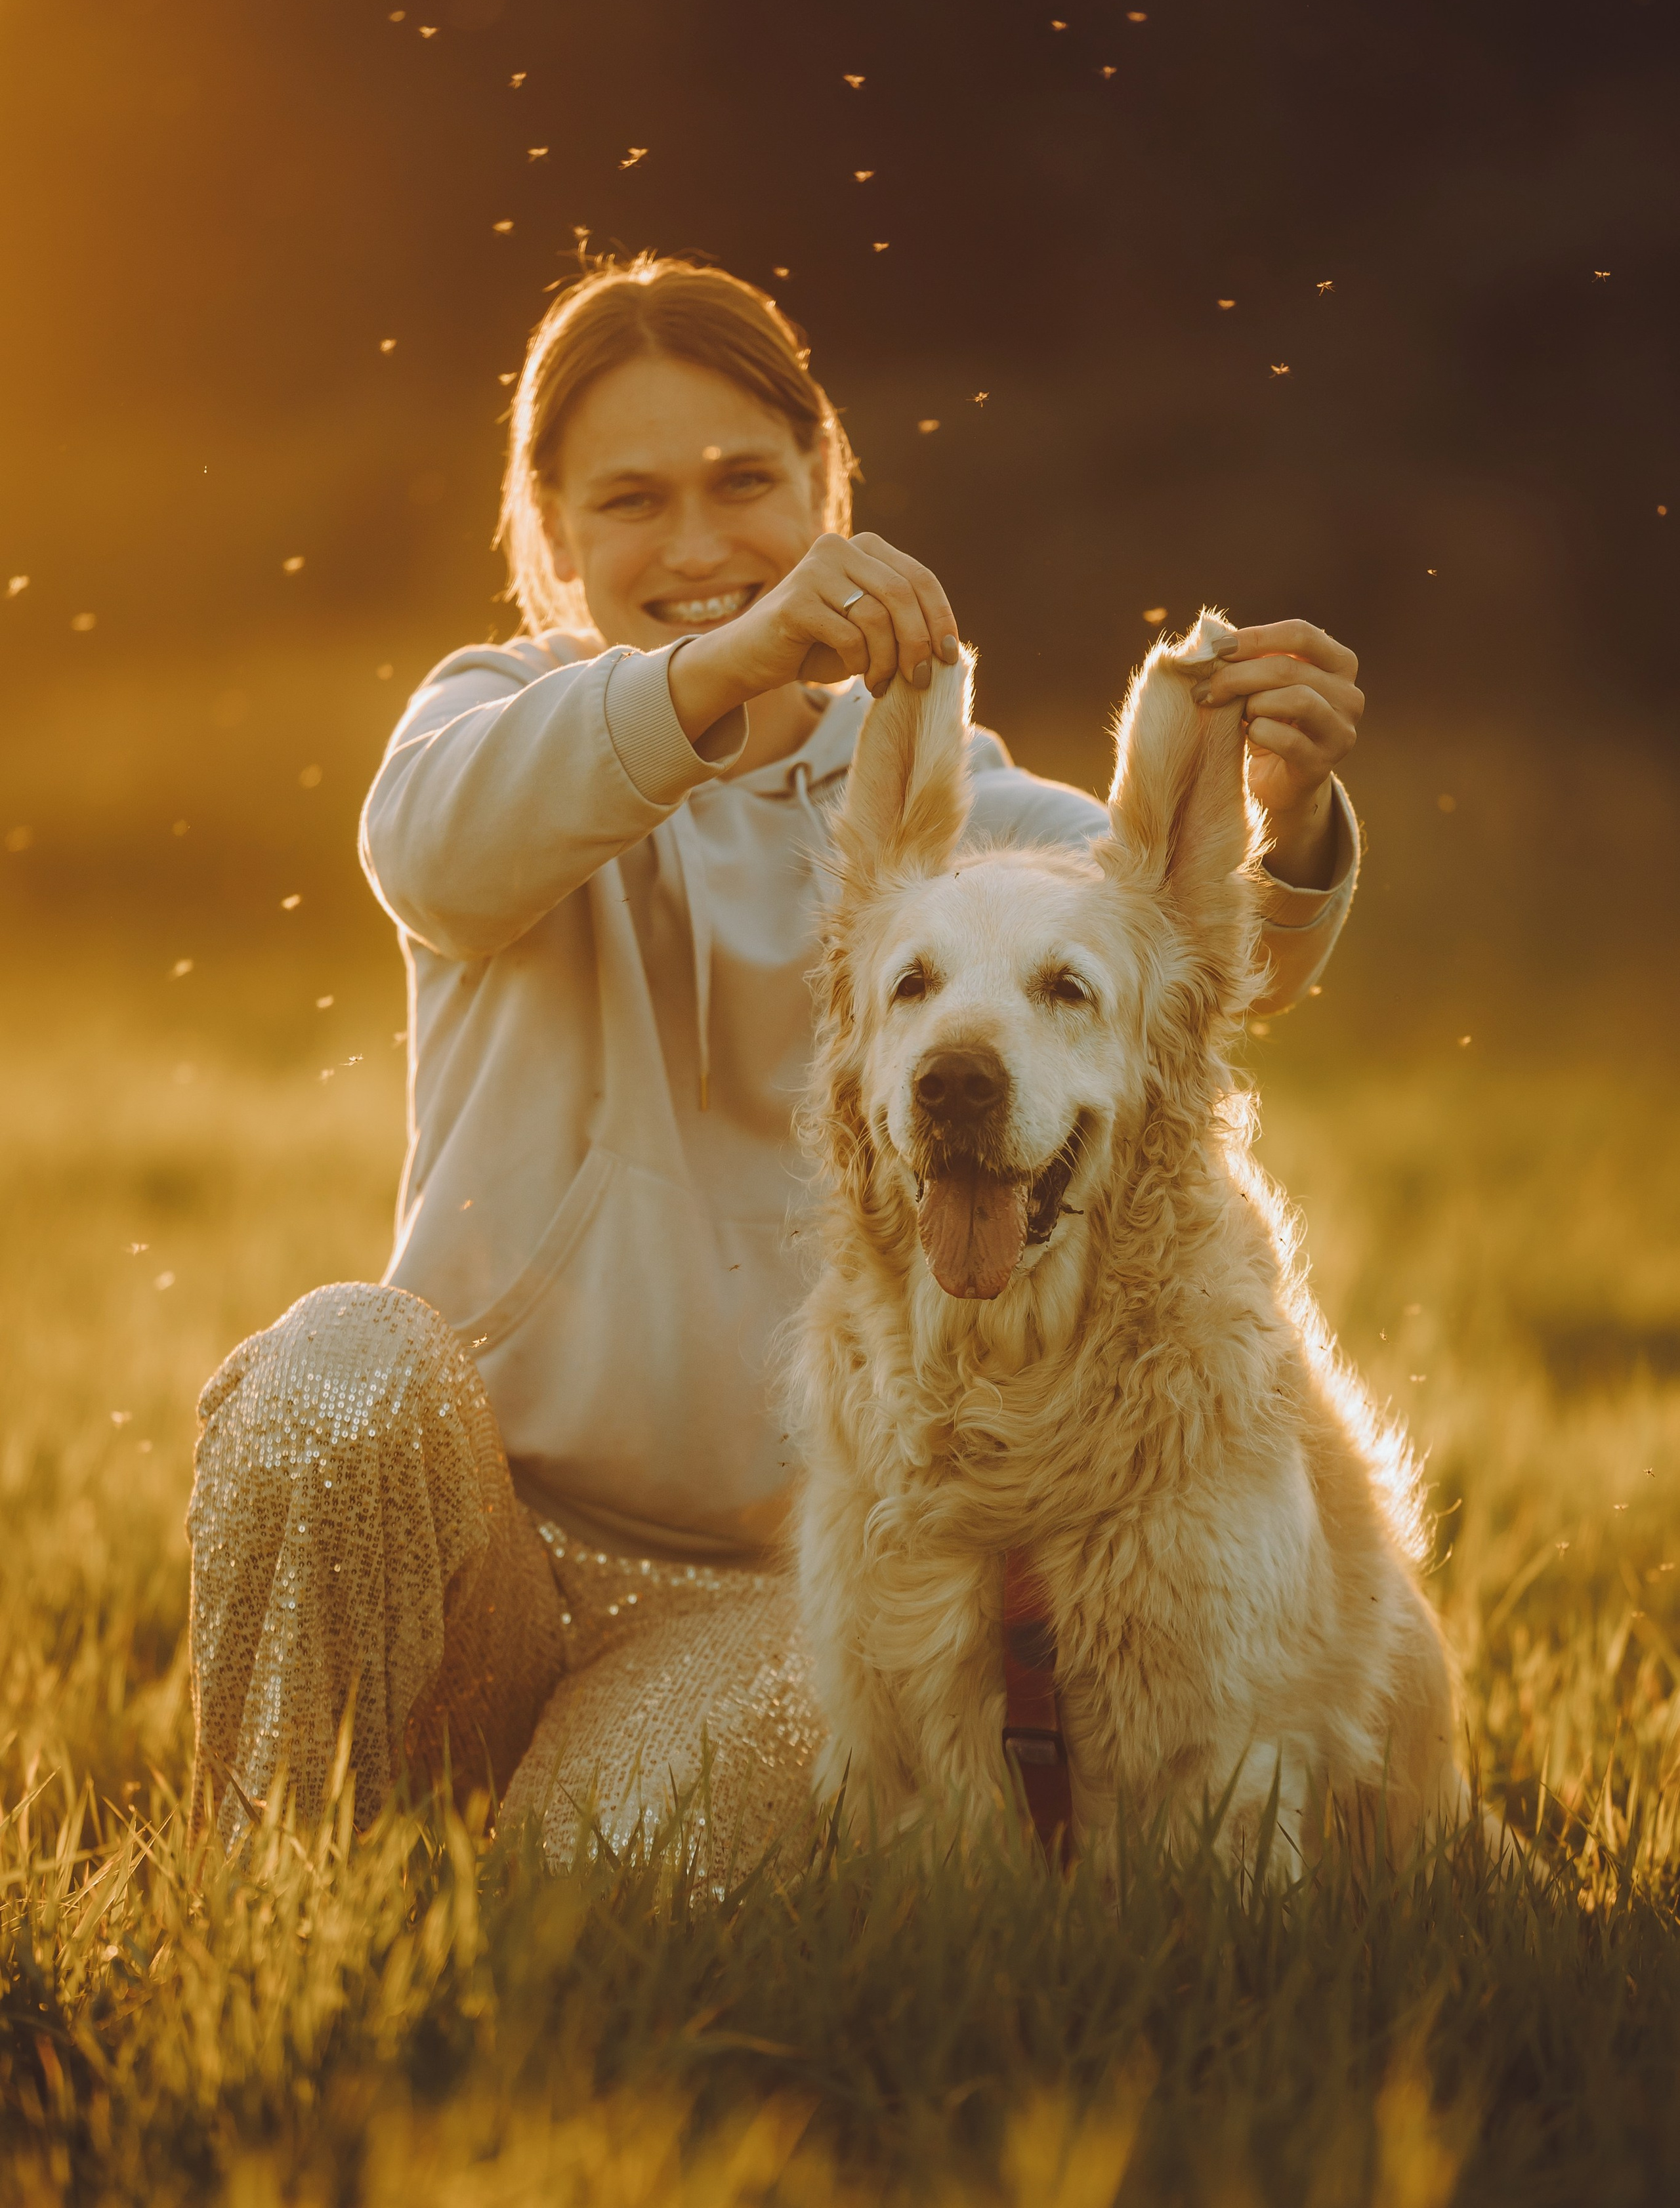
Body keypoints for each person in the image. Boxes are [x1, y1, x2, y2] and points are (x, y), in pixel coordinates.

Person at [186, 255, 1364, 1857]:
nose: (693, 542)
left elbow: (1183, 966)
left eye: (744, 483)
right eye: (629, 501)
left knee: (597, 1881)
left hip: (765, 1597)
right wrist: (724, 672)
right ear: (547, 537)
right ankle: (277, 1894)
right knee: (332, 1371)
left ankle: (519, 1863)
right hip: (480, 1541)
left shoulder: (950, 816)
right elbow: (430, 853)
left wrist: (1282, 817)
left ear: (830, 490)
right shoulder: (496, 724)